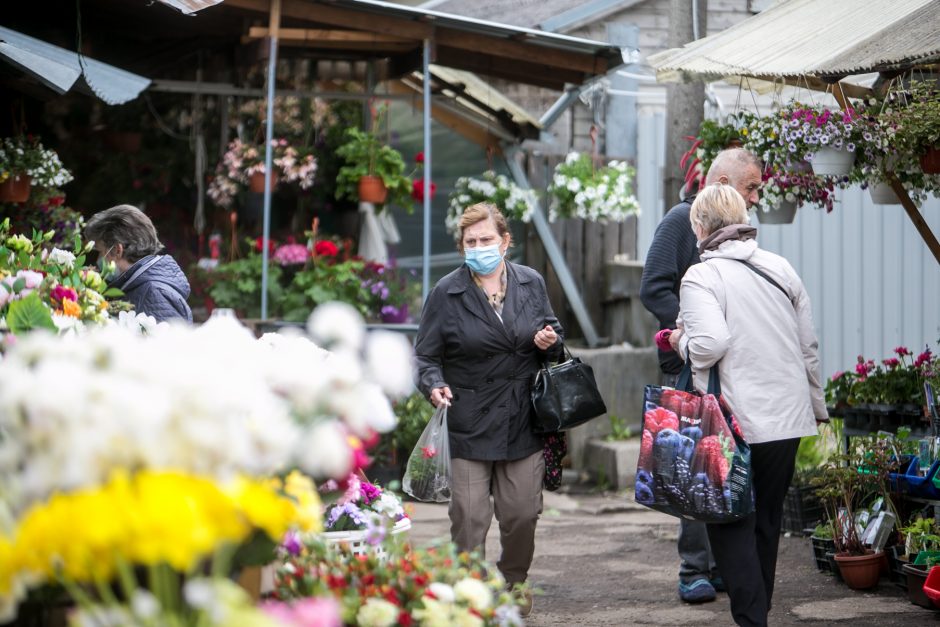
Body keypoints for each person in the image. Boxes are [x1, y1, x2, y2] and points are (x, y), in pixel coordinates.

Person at [670, 183, 827, 627]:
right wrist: (815, 407)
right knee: (768, 520)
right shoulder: (780, 268)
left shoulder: (702, 276)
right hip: (787, 418)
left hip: (733, 422)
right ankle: (758, 613)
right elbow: (808, 346)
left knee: (728, 521)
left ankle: (752, 619)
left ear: (700, 226)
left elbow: (709, 345)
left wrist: (678, 339)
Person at [414, 202, 563, 617]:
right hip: (468, 423)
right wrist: (434, 385)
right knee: (468, 517)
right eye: (471, 241)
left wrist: (551, 341)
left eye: (486, 240)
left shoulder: (530, 283)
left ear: (505, 242)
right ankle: (469, 597)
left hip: (523, 421)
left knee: (521, 515)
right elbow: (425, 358)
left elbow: (555, 332)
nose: (479, 247)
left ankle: (514, 582)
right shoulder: (447, 292)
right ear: (462, 246)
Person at [639, 147, 763, 603]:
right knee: (693, 465)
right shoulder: (680, 220)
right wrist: (690, 329)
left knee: (724, 465)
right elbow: (652, 286)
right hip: (687, 364)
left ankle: (720, 567)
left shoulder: (740, 234)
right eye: (751, 187)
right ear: (725, 185)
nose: (756, 197)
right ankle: (694, 570)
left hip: (728, 366)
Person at [85, 204, 193, 323]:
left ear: (117, 250)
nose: (98, 260)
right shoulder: (135, 285)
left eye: (99, 251)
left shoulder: (154, 293)